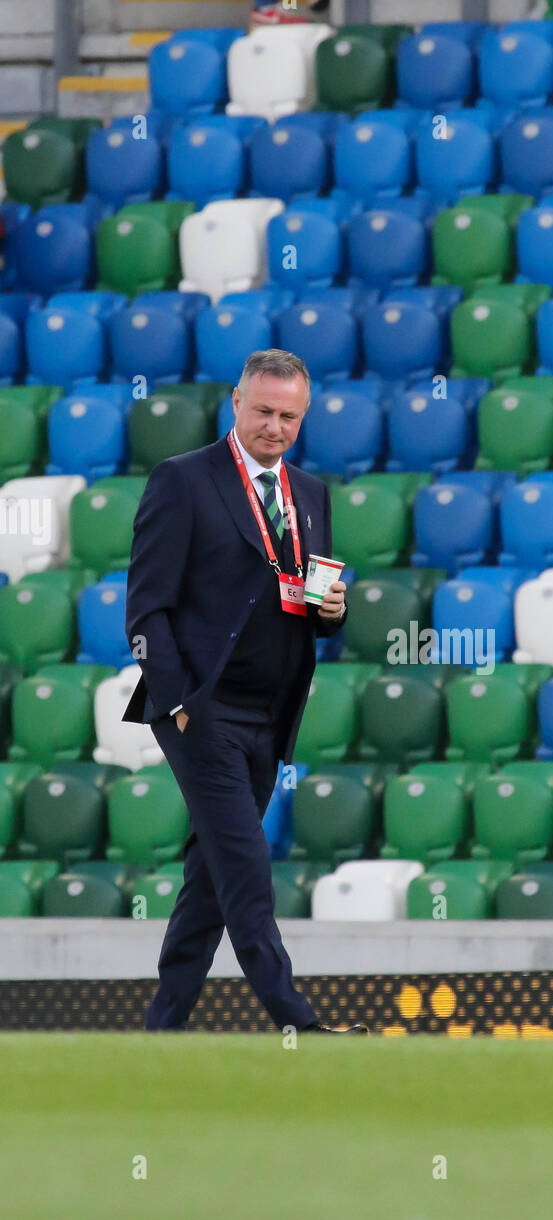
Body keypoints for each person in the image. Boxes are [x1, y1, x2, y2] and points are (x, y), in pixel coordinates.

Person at [123, 349, 367, 1035]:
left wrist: (333, 609)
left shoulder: (311, 494)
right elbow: (144, 610)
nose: (275, 426)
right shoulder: (182, 481)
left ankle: (162, 1027)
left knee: (210, 879)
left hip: (271, 713)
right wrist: (177, 702)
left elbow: (307, 602)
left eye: (289, 416)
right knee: (246, 866)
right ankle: (296, 1019)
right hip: (201, 713)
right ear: (236, 402)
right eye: (263, 410)